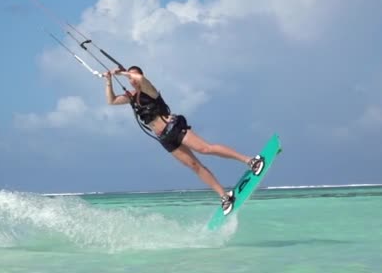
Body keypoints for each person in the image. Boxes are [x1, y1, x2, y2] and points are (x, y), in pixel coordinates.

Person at [103, 65, 264, 215]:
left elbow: (140, 79)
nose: (131, 80)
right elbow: (111, 101)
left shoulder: (149, 89)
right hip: (164, 138)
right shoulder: (131, 97)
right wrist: (109, 79)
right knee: (194, 166)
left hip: (174, 127)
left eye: (133, 76)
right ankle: (224, 196)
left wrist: (123, 72)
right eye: (130, 78)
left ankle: (250, 160)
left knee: (205, 149)